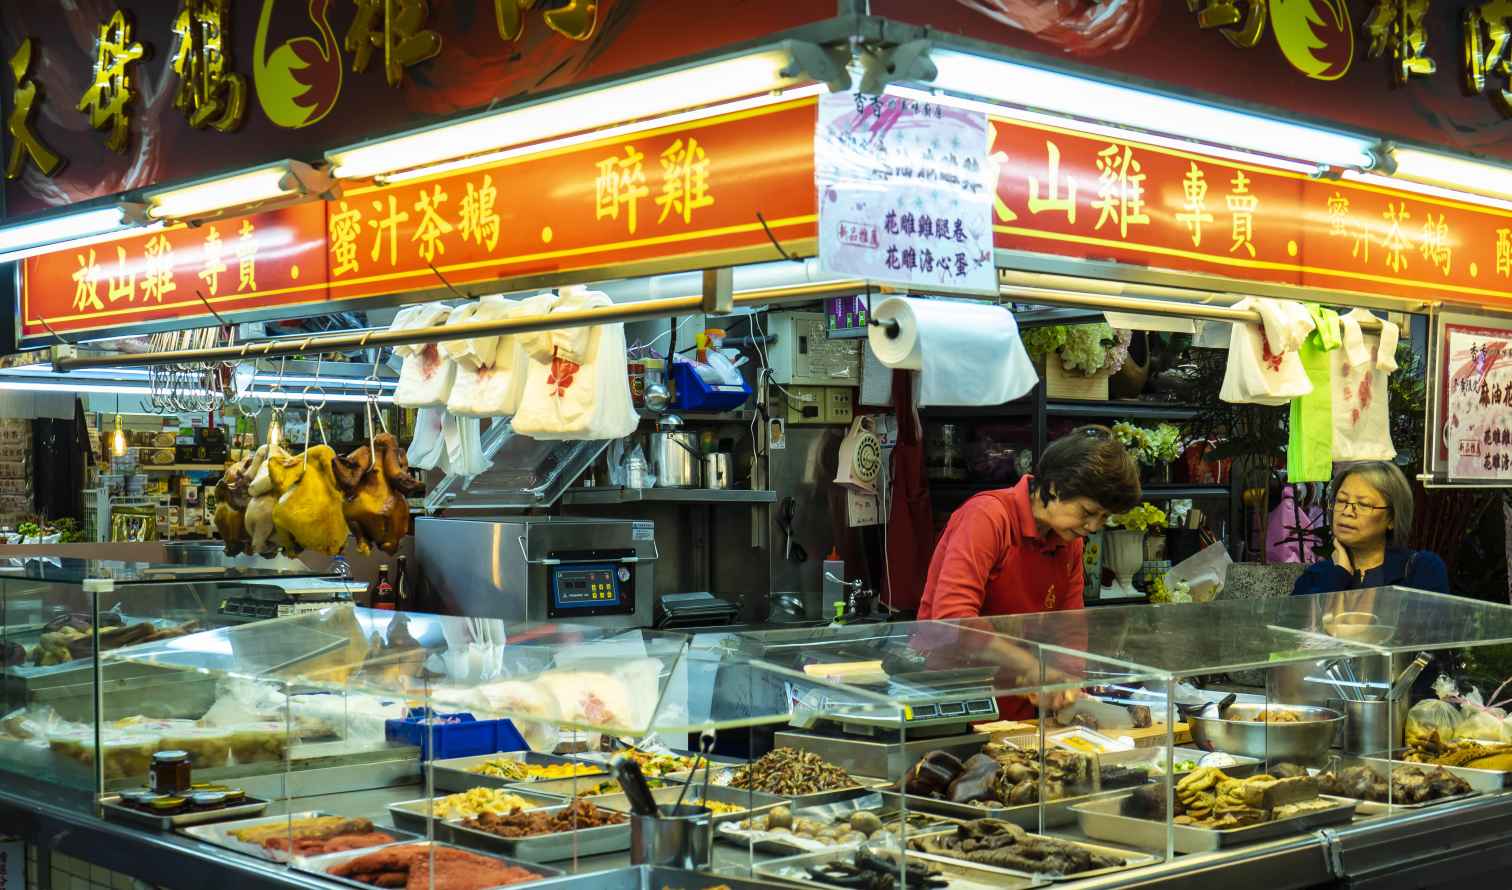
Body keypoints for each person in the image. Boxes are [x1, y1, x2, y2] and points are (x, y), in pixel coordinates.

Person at [918, 425, 1142, 621]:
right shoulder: (987, 517)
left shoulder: (1069, 539)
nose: (1092, 527)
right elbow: (953, 617)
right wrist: (1026, 663)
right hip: (949, 666)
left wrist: (1068, 668)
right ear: (1054, 486)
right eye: (1087, 512)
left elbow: (1070, 627)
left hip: (1020, 668)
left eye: (1104, 517)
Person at [1292, 461, 1449, 596]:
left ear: (1392, 518)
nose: (1347, 512)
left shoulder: (1420, 569)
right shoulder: (1316, 576)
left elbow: (1432, 629)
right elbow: (1298, 627)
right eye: (1341, 501)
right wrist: (1338, 574)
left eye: (1363, 504)